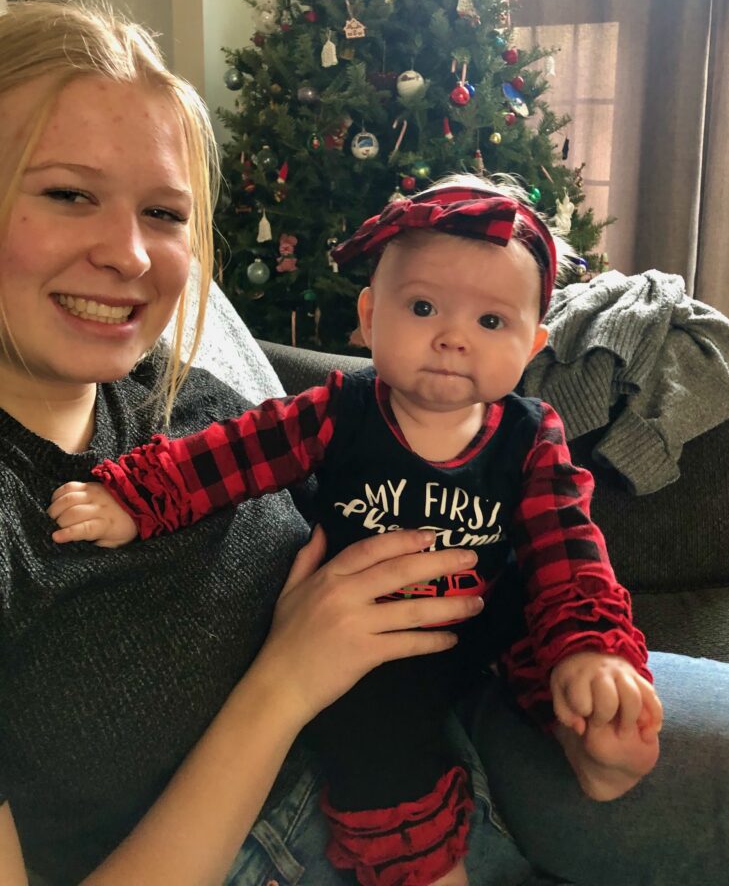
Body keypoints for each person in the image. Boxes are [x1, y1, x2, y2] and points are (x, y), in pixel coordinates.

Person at [1, 0, 729, 886]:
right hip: (314, 826)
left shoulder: (186, 398)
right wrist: (285, 685)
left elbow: (555, 544)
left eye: (166, 213)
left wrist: (579, 680)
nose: (131, 255)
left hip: (476, 706)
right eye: (68, 193)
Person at [49, 177, 662, 886]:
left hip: (488, 625)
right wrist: (138, 500)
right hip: (374, 649)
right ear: (370, 317)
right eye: (424, 307)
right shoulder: (340, 411)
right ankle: (421, 866)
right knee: (371, 732)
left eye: (492, 323)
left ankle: (587, 738)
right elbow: (234, 453)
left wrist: (592, 652)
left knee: (551, 629)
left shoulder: (531, 437)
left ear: (533, 344)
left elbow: (571, 553)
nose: (453, 338)